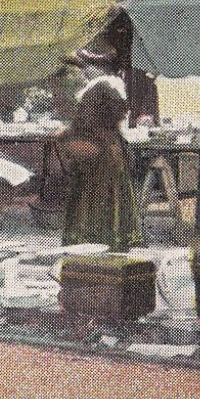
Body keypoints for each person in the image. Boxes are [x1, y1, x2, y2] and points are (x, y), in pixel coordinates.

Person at [59, 48, 140, 251]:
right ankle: (99, 243)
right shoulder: (100, 89)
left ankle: (99, 243)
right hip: (103, 151)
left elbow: (96, 122)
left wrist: (71, 136)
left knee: (99, 200)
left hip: (101, 153)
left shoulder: (102, 89)